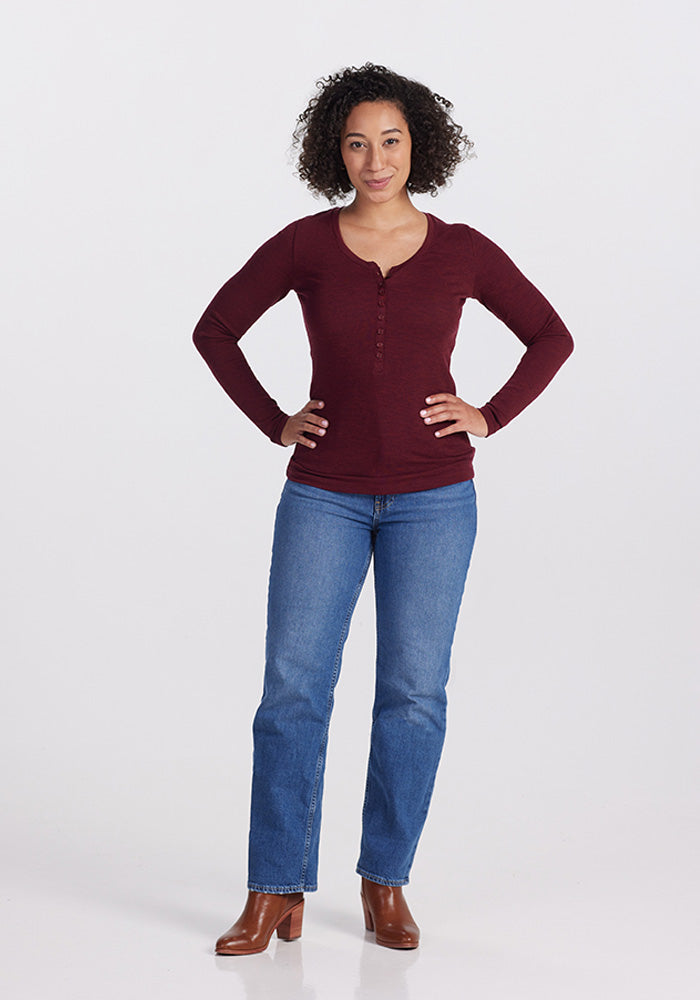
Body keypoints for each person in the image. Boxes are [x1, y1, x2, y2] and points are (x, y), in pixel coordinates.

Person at [192, 63, 573, 954]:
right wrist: (275, 420)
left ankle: (385, 881)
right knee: (292, 691)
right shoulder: (305, 245)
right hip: (322, 496)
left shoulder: (463, 249)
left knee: (412, 694)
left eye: (391, 140)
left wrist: (488, 413)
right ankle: (273, 887)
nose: (374, 158)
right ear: (338, 150)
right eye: (358, 142)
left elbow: (551, 335)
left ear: (418, 147)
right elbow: (215, 329)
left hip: (435, 499)